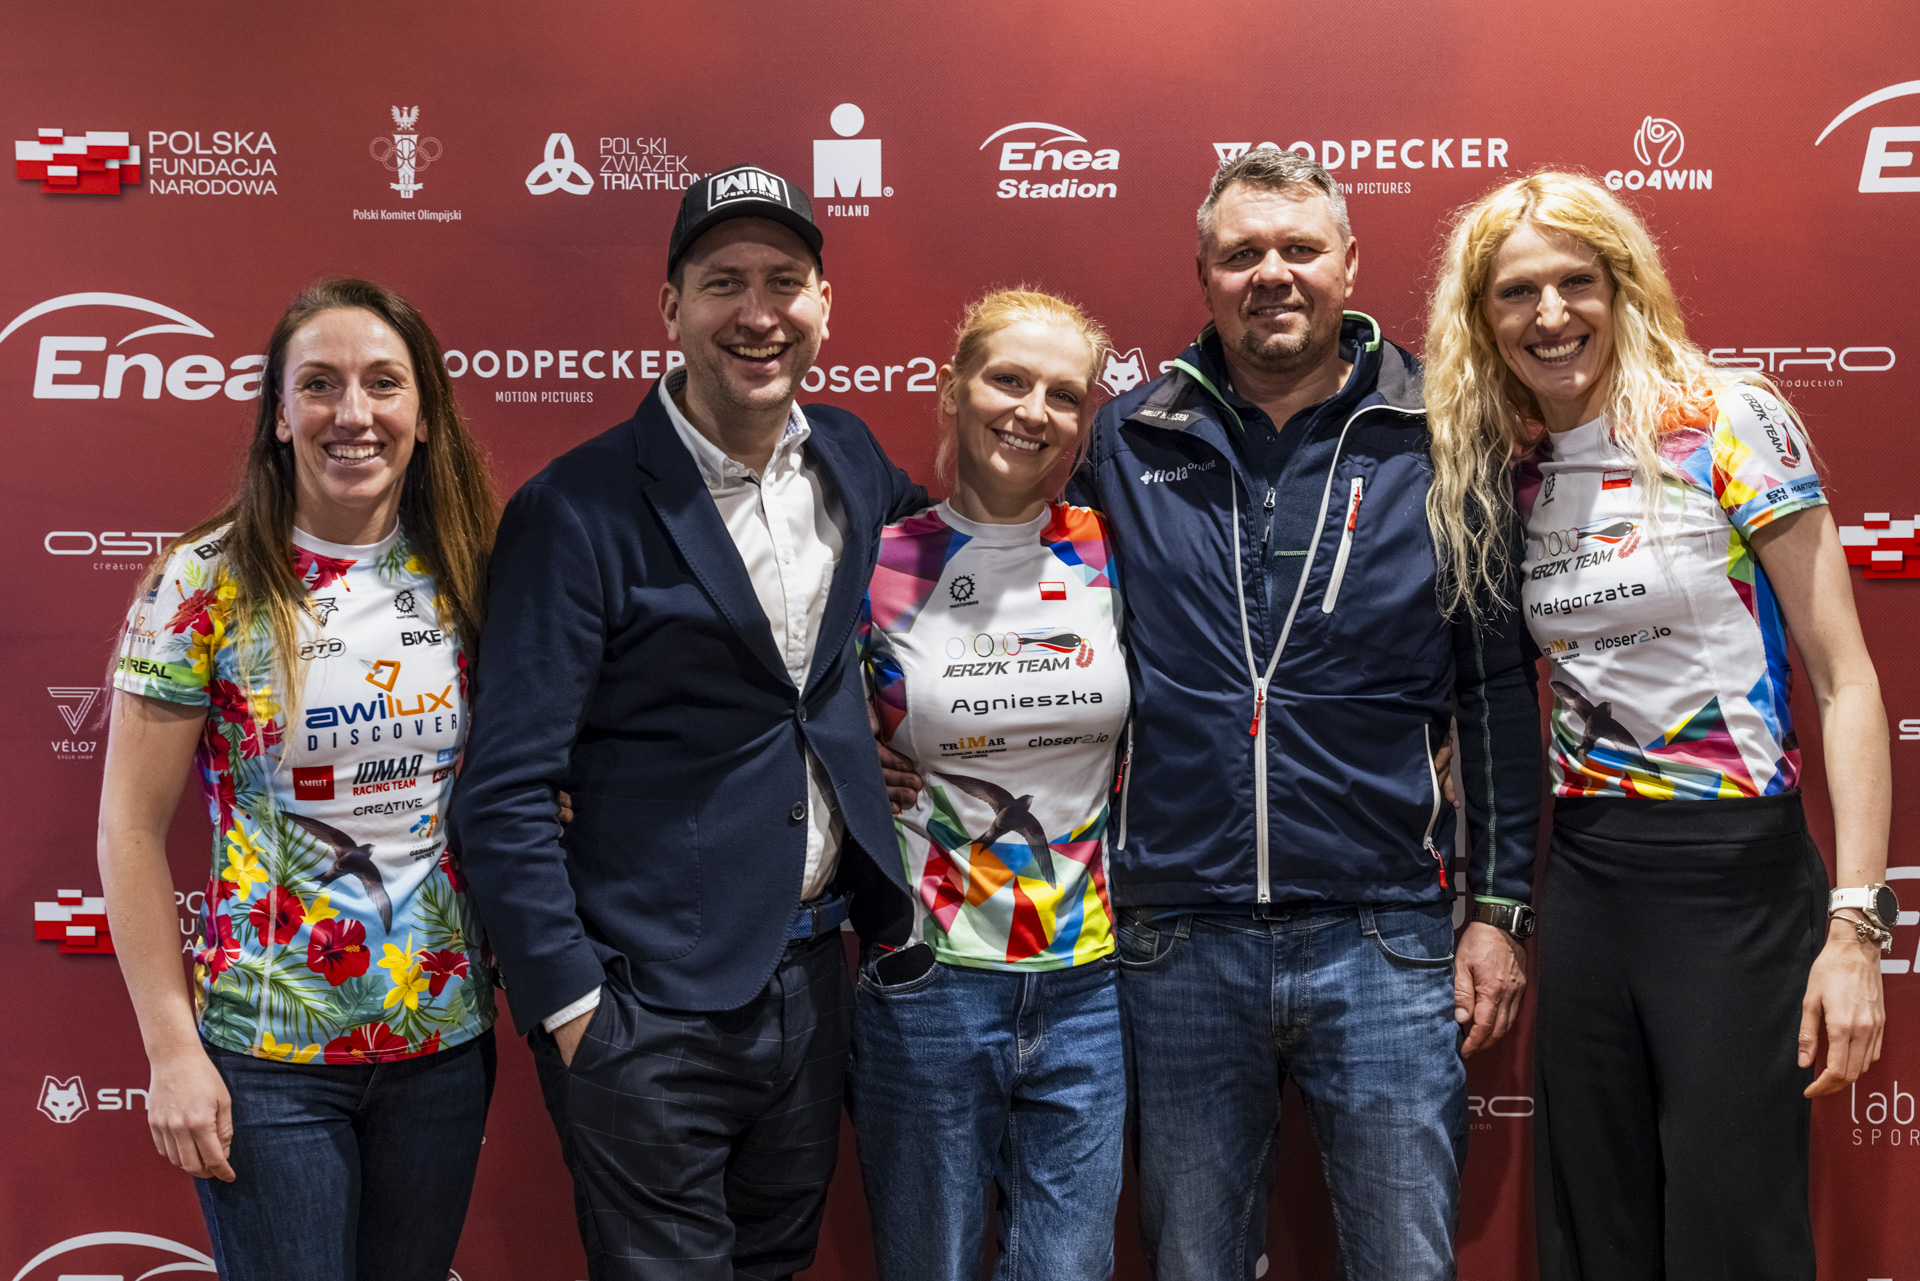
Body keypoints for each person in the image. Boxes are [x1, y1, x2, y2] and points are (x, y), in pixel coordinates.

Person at [1062, 146, 1543, 1280]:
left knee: (1404, 1262)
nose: (1271, 274)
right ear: (1204, 274)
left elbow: (1492, 688)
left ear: (1349, 263)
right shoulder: (1130, 440)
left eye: (1299, 249)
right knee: (1195, 1262)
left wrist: (1500, 907)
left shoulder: (1443, 431)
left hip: (1384, 932)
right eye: (1242, 254)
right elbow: (1049, 651)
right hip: (1180, 932)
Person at [449, 165, 928, 1281]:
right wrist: (574, 1010)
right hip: (643, 1007)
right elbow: (504, 788)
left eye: (784, 282)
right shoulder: (575, 508)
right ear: (670, 308)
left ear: (824, 305)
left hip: (814, 979)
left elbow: (945, 578)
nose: (758, 314)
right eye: (723, 284)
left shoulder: (853, 461)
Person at [1423, 170, 1891, 1280]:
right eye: (1516, 292)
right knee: (1599, 1233)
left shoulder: (1723, 417)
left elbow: (1847, 683)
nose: (1551, 315)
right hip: (1587, 878)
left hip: (1735, 877)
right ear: (1482, 318)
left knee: (1735, 1235)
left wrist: (1857, 929)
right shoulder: (1507, 469)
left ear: (1623, 285)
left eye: (1576, 282)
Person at [97, 277, 501, 1281]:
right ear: (279, 415)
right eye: (319, 384)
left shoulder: (472, 569)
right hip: (267, 1057)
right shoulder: (203, 581)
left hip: (442, 1045)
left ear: (424, 413)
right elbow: (130, 830)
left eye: (383, 383)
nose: (352, 413)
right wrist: (172, 1050)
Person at [852, 289, 1125, 1281]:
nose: (1032, 411)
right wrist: (841, 756)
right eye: (1009, 380)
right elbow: (782, 710)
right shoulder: (880, 560)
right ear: (953, 389)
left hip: (1089, 979)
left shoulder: (1114, 549)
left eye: (1063, 394)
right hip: (928, 979)